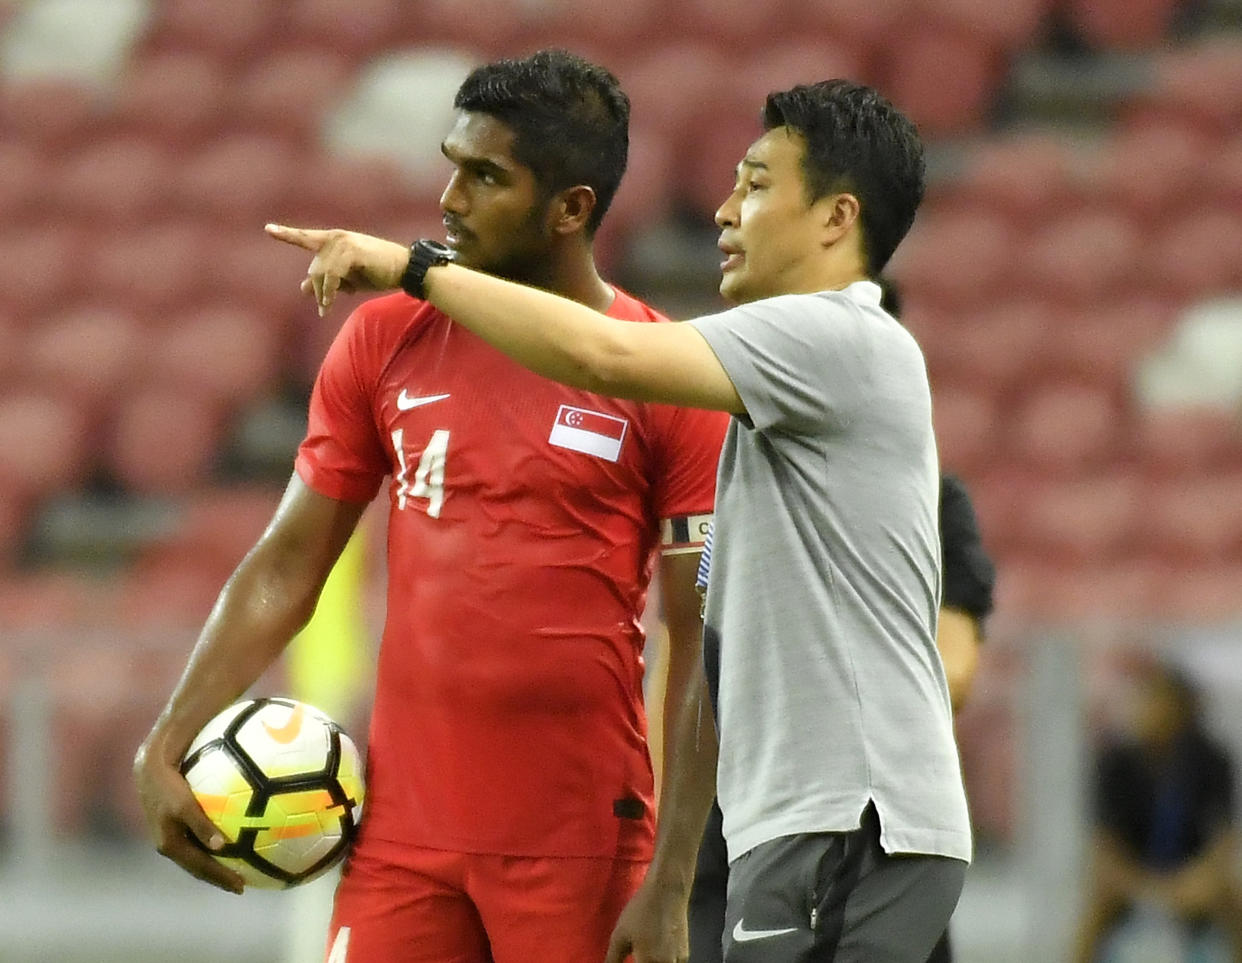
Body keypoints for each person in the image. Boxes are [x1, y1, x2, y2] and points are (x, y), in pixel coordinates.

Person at [269, 77, 973, 962]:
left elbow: (603, 353)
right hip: (798, 814)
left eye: (755, 185)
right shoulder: (780, 388)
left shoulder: (837, 339)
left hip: (849, 813)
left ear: (836, 218)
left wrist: (417, 271)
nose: (723, 210)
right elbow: (711, 629)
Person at [134, 50, 728, 963]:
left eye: (486, 176)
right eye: (453, 162)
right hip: (401, 840)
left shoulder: (665, 375)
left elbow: (700, 643)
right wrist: (168, 737)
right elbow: (289, 562)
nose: (449, 197)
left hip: (580, 844)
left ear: (570, 208)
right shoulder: (384, 339)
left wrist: (674, 883)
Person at [687, 464, 994, 963]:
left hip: (861, 830)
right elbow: (698, 663)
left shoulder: (922, 495)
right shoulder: (740, 485)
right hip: (735, 824)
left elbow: (954, 667)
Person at [1073, 662, 1242, 963]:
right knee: (1097, 907)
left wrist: (1197, 880)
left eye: (1155, 699)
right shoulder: (1116, 762)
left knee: (1231, 901)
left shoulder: (1211, 759)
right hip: (1133, 875)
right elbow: (1105, 845)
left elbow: (1223, 838)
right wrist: (1140, 885)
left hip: (1192, 875)